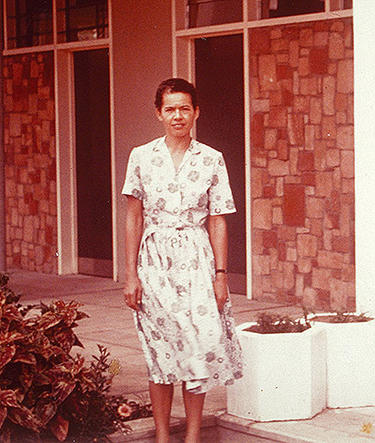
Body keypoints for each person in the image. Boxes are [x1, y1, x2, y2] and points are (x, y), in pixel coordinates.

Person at [121, 78, 243, 443]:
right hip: (154, 261)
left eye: (184, 108)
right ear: (159, 113)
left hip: (197, 260)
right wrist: (131, 275)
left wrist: (221, 275)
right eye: (170, 109)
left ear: (196, 112)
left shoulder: (211, 159)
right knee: (160, 352)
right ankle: (162, 436)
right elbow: (134, 217)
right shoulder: (141, 156)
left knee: (198, 348)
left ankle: (191, 436)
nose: (178, 116)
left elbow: (218, 218)